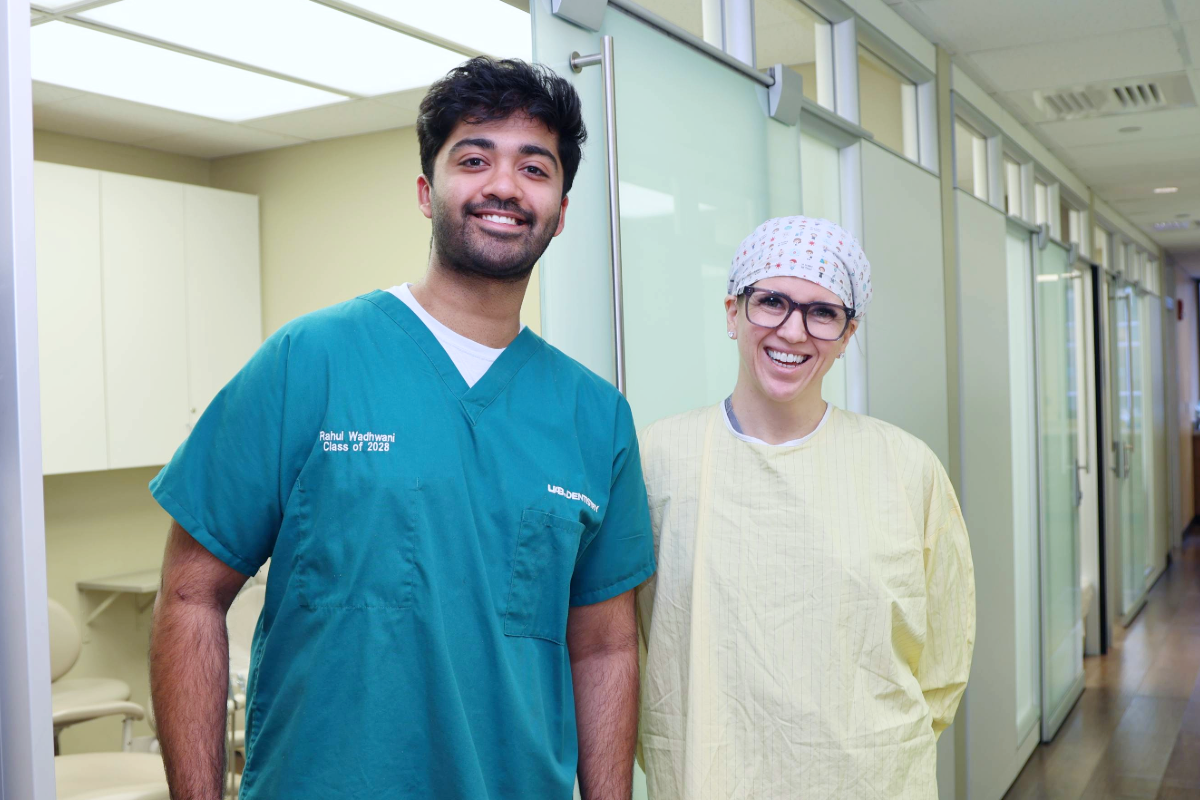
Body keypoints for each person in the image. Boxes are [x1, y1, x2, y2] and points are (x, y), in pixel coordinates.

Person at [148, 57, 655, 800]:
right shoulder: (309, 361)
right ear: (426, 191)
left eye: (534, 168)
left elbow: (605, 648)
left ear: (561, 209)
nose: (505, 186)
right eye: (474, 159)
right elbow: (190, 596)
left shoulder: (594, 415)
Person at [635, 216, 975, 799]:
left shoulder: (905, 467)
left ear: (847, 334)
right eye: (771, 302)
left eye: (822, 313)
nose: (793, 331)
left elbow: (943, 662)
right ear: (732, 312)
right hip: (707, 778)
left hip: (871, 780)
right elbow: (634, 644)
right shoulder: (660, 458)